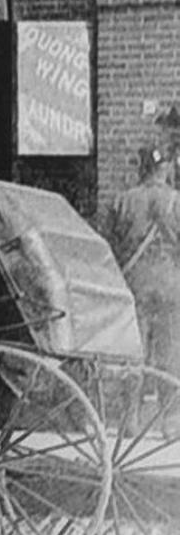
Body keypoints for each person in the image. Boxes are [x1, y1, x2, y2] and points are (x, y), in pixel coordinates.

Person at [103, 146, 180, 376]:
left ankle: (132, 409)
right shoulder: (176, 201)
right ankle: (168, 408)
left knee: (135, 353)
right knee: (170, 351)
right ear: (164, 169)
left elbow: (109, 246)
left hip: (134, 282)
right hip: (170, 282)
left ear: (142, 168)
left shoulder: (122, 201)